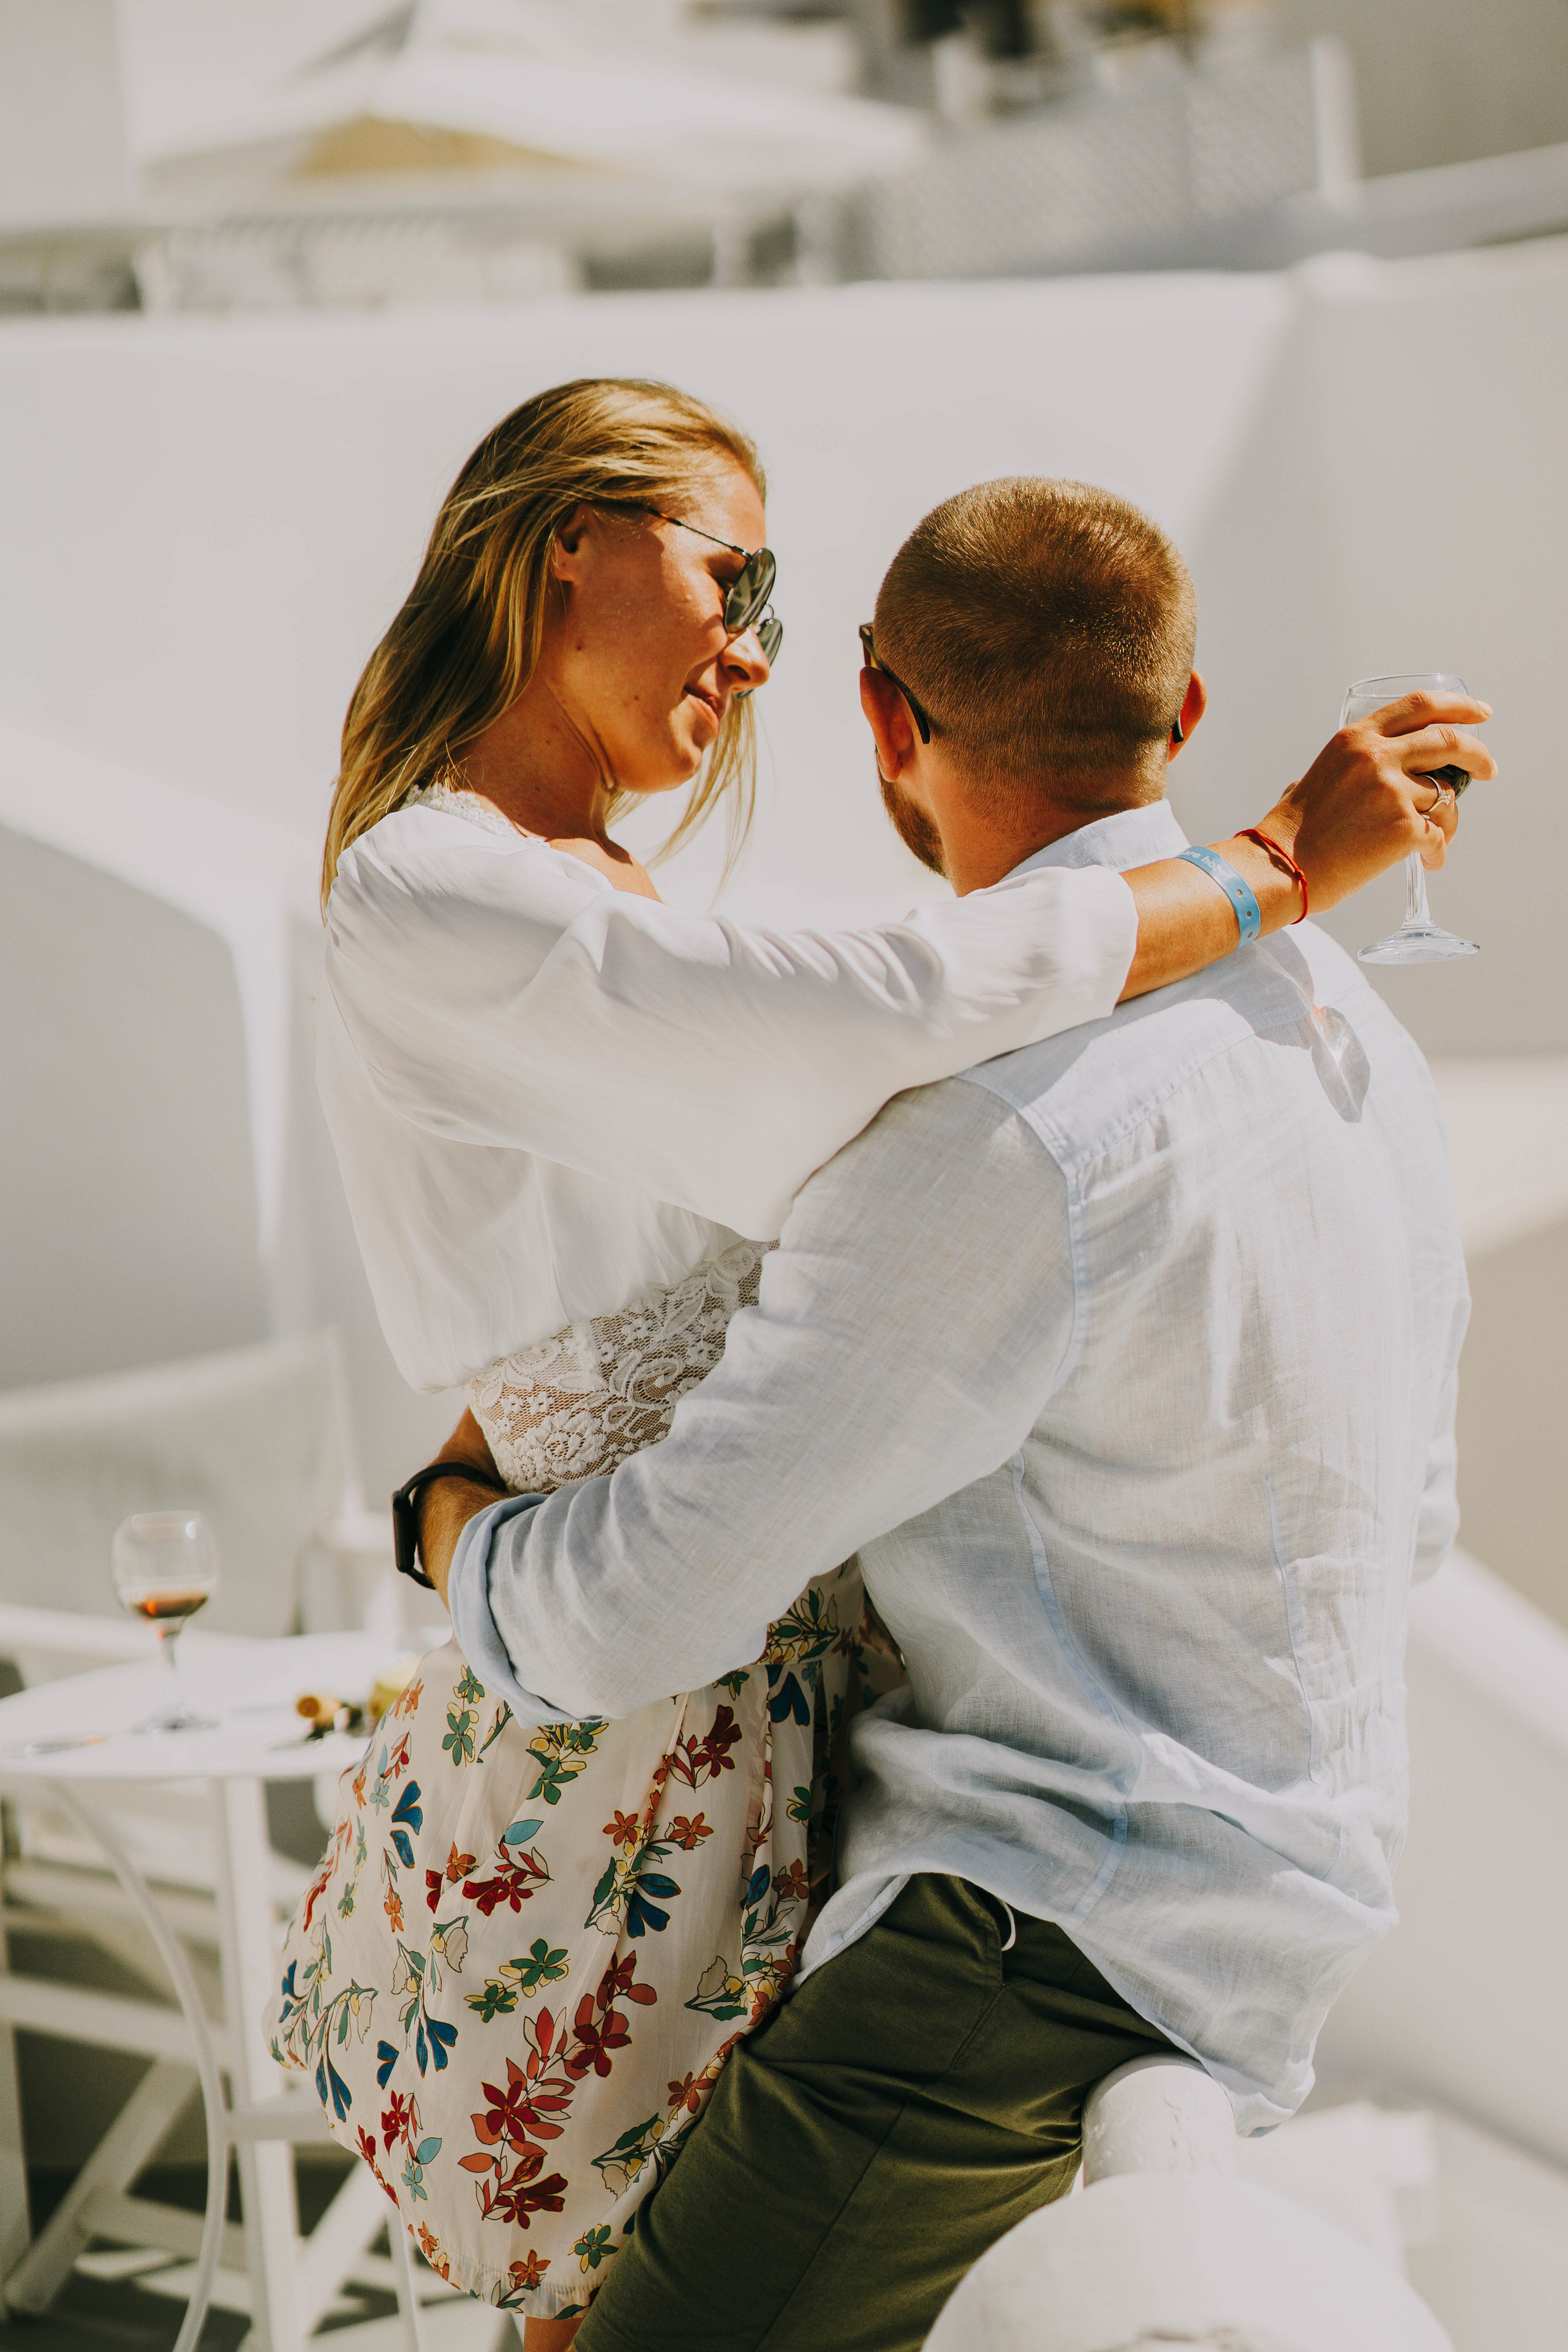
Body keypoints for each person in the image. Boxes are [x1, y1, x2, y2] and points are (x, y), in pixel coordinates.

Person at [271, 374, 1470, 2345]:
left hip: (870, 1803)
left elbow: (912, 1035)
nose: (746, 648)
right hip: (689, 1756)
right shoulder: (1345, 1025)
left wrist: (447, 1529)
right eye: (730, 578)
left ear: (886, 724)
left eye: (776, 606)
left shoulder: (970, 1116)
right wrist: (1271, 866)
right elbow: (1403, 1518)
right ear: (1182, 711)